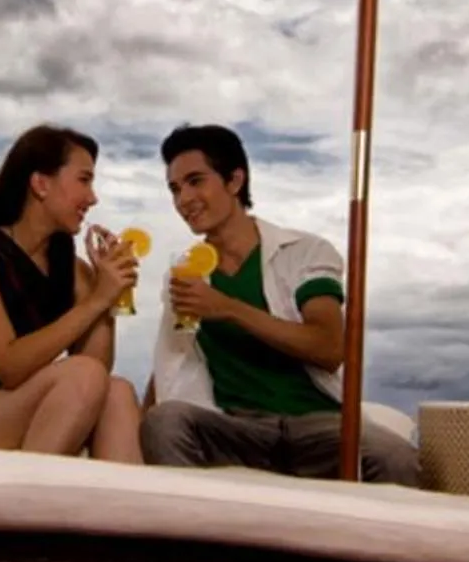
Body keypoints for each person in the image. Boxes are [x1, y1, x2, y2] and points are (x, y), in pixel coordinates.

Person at [140, 123, 418, 484]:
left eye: (195, 181)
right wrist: (141, 421)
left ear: (234, 181)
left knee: (392, 456)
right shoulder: (185, 272)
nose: (183, 200)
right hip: (237, 428)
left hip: (317, 425)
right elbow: (173, 355)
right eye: (175, 189)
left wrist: (227, 307)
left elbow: (328, 347)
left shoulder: (303, 253)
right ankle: (194, 535)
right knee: (164, 421)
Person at [0, 124, 144, 460]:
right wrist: (96, 300)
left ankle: (123, 510)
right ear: (41, 184)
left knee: (117, 391)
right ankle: (26, 506)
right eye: (84, 180)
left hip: (17, 404)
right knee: (85, 376)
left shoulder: (71, 267)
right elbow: (10, 366)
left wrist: (110, 295)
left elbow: (97, 367)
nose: (93, 198)